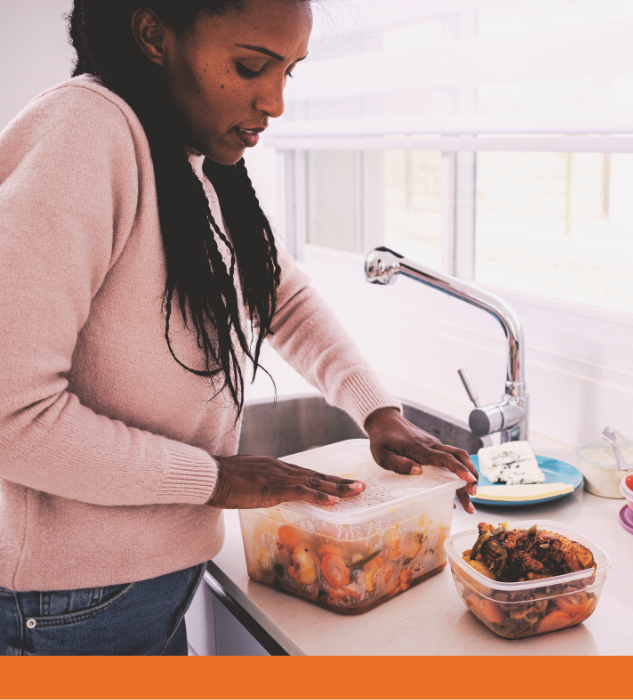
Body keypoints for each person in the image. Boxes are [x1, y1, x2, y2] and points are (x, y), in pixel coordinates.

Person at [0, 0, 478, 655]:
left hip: (142, 588)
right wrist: (214, 479)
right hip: (67, 608)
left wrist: (378, 411)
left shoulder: (185, 155)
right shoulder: (84, 133)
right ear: (154, 34)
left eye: (289, 71)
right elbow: (10, 415)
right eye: (252, 66)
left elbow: (278, 296)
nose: (275, 102)